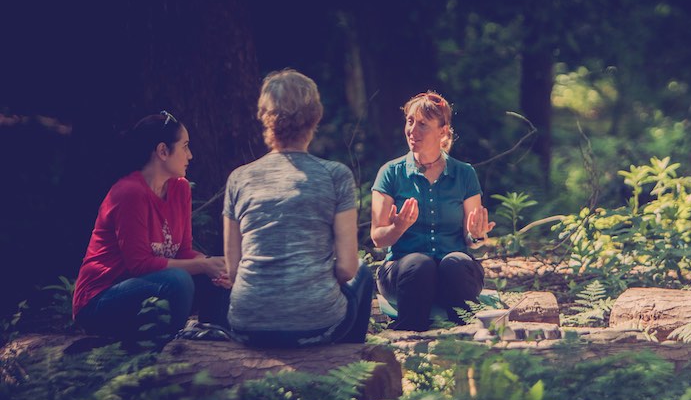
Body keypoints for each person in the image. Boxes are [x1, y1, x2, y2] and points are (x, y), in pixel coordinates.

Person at [223, 69, 372, 347]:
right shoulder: (335, 176)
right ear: (315, 116)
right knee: (363, 272)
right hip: (315, 324)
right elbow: (347, 269)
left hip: (248, 324)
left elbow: (233, 271)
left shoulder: (239, 178)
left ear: (265, 118)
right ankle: (349, 373)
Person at [73, 111, 230, 341]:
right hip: (100, 299)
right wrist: (202, 265)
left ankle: (211, 337)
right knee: (179, 280)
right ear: (163, 151)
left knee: (213, 272)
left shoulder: (180, 188)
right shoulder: (130, 193)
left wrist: (210, 265)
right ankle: (167, 344)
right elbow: (139, 265)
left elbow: (183, 251)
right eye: (185, 146)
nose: (190, 155)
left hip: (147, 288)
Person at [371, 91, 494, 331]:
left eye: (423, 125)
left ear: (443, 130)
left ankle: (466, 339)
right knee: (420, 264)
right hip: (403, 273)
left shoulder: (464, 173)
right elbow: (377, 238)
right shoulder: (390, 173)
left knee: (455, 263)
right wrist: (398, 227)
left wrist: (476, 235)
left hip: (453, 272)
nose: (412, 131)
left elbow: (472, 240)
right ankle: (409, 337)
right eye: (410, 121)